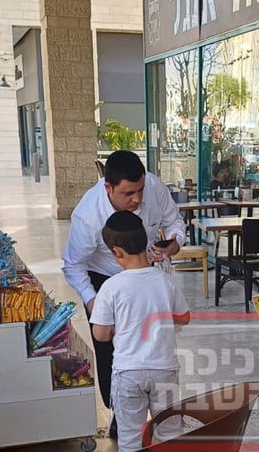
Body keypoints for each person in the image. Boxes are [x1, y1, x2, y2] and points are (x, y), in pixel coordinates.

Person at [62, 150, 186, 430]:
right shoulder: (88, 216)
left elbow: (174, 221)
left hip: (147, 275)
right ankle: (120, 413)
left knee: (152, 341)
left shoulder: (153, 187)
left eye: (141, 190)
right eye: (129, 193)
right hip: (103, 279)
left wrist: (173, 243)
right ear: (108, 188)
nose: (138, 199)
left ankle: (159, 407)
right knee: (109, 350)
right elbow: (73, 265)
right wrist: (94, 302)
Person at [90, 211, 190, 452]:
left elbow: (100, 334)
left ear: (116, 251)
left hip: (128, 372)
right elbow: (184, 317)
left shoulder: (111, 286)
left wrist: (117, 327)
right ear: (145, 242)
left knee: (130, 438)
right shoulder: (165, 281)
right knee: (169, 433)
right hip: (164, 369)